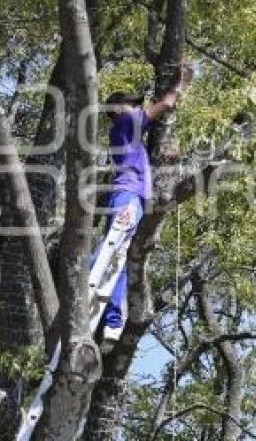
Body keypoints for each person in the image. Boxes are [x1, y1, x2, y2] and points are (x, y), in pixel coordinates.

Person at [89, 62, 191, 342]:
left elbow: (149, 161)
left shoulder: (131, 141)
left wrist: (172, 157)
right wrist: (179, 86)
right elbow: (166, 104)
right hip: (127, 196)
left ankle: (111, 319)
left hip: (132, 195)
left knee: (119, 258)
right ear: (119, 110)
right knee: (112, 249)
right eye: (132, 105)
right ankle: (83, 279)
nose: (137, 109)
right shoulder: (124, 122)